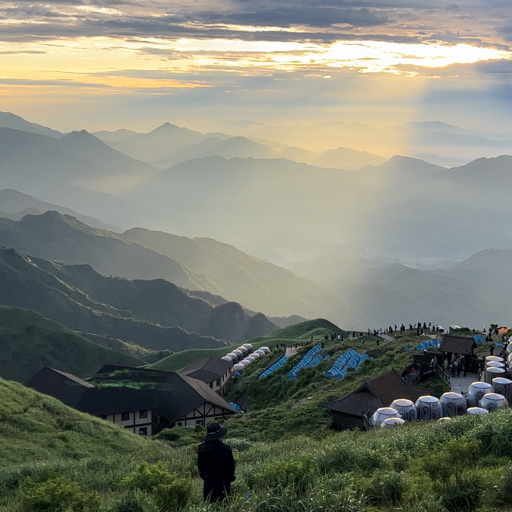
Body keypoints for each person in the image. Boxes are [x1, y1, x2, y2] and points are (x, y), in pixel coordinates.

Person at [198, 423, 236, 503]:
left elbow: (201, 467)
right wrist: (229, 479)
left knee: (209, 506)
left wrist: (206, 477)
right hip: (223, 484)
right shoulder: (225, 449)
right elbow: (231, 467)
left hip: (208, 484)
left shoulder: (201, 448)